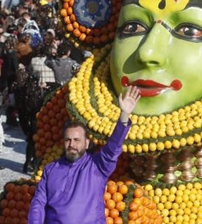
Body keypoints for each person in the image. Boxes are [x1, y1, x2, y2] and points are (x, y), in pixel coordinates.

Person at [27, 86, 140, 224]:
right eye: (68, 140)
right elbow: (38, 203)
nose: (72, 144)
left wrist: (124, 116)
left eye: (77, 140)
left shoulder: (97, 166)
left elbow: (113, 148)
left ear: (87, 143)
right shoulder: (51, 170)